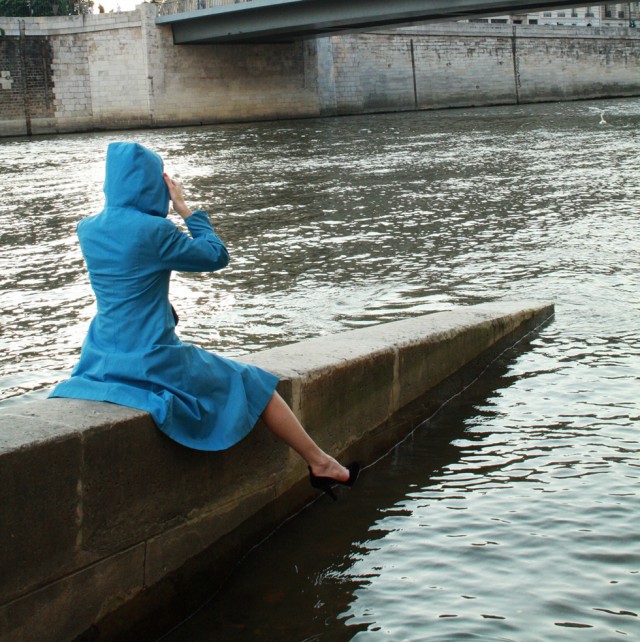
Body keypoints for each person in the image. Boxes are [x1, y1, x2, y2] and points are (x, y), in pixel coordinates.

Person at [50, 142, 358, 498]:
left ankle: (323, 464)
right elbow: (215, 255)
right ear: (153, 185)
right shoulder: (155, 232)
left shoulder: (87, 229)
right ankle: (320, 462)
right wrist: (184, 208)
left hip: (100, 354)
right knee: (254, 382)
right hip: (152, 356)